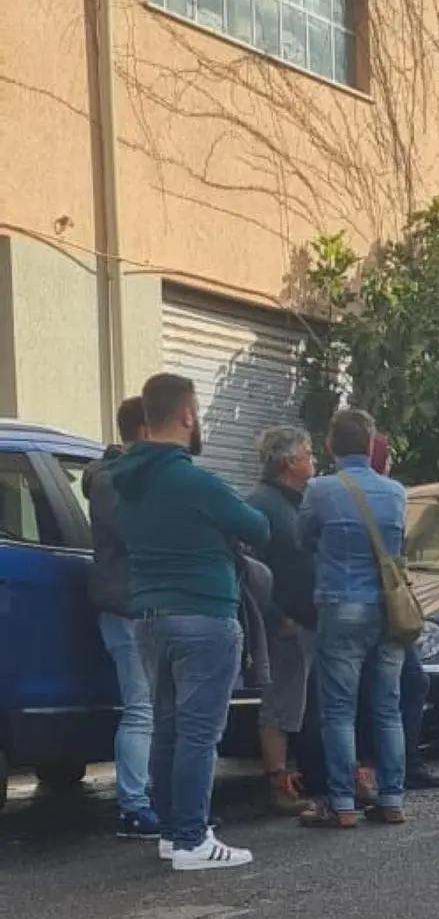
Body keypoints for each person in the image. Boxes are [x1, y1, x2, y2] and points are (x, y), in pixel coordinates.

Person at [112, 372, 270, 869]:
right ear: (185, 415)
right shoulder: (195, 481)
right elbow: (258, 526)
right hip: (204, 614)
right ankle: (192, 840)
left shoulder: (123, 483)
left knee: (168, 728)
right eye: (196, 412)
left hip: (149, 617)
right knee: (200, 734)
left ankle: (171, 832)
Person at [299, 408, 409, 829]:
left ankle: (342, 802)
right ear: (369, 446)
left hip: (341, 604)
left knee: (339, 711)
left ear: (330, 445)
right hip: (388, 609)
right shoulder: (396, 492)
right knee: (387, 708)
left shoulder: (320, 489)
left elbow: (300, 536)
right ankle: (393, 797)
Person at [354, 432, 439, 792]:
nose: (392, 461)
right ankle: (396, 768)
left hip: (364, 603)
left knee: (396, 685)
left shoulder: (336, 493)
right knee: (399, 687)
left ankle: (390, 765)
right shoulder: (389, 495)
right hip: (384, 606)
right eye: (387, 454)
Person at [84, 395, 159, 841]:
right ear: (147, 431)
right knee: (141, 708)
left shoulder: (113, 477)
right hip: (127, 606)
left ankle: (146, 797)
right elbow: (137, 537)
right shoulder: (115, 481)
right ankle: (134, 805)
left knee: (146, 706)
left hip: (135, 604)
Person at [245, 425, 317, 814]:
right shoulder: (263, 506)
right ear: (290, 462)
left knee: (297, 701)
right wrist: (276, 618)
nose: (313, 459)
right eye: (308, 453)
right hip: (284, 625)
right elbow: (249, 569)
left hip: (305, 620)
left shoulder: (295, 502)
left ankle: (301, 775)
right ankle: (277, 782)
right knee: (281, 703)